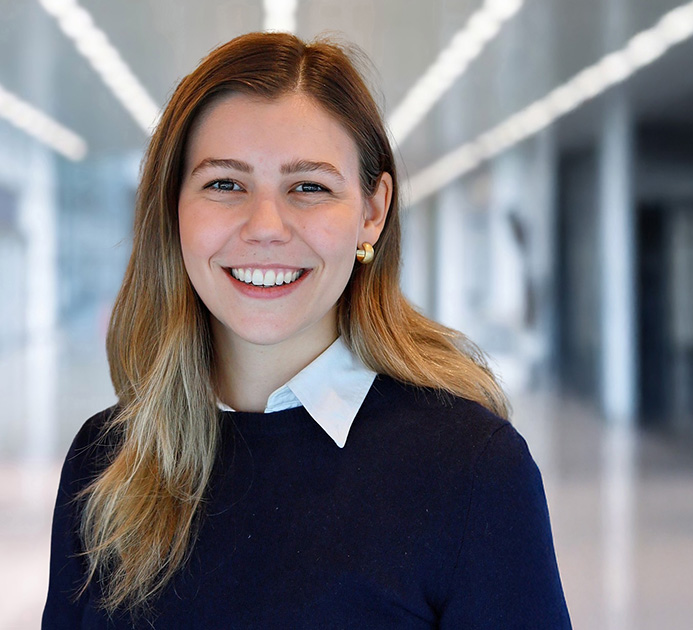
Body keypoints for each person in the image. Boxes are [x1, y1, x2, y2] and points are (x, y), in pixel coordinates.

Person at [42, 32, 571, 628]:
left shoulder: (472, 471)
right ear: (173, 208)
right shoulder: (109, 462)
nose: (265, 226)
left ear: (372, 212)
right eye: (225, 183)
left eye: (310, 188)